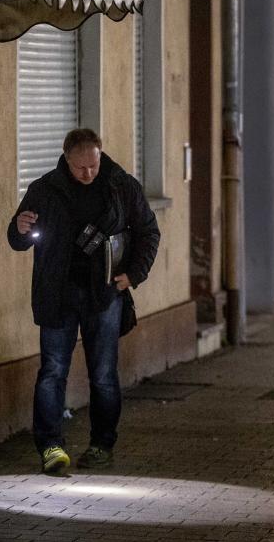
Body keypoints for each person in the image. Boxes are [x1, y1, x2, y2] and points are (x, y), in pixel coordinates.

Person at [8, 128, 160, 475]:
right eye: (80, 168)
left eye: (93, 165)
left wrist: (133, 275)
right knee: (52, 372)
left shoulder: (121, 186)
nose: (88, 173)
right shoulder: (44, 190)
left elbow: (148, 232)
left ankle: (101, 446)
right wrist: (19, 227)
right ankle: (50, 447)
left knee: (103, 374)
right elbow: (18, 240)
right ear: (66, 159)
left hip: (104, 294)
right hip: (57, 293)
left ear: (100, 155)